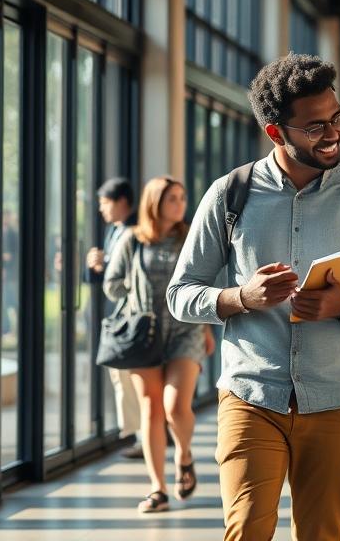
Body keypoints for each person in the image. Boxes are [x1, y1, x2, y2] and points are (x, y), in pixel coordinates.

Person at [167, 54, 340, 541]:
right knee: (245, 531)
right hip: (251, 396)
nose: (332, 133)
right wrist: (242, 296)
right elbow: (181, 295)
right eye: (314, 127)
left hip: (338, 399)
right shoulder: (229, 196)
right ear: (274, 132)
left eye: (337, 118)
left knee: (322, 535)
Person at [104, 177, 207, 513]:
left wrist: (206, 326)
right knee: (151, 408)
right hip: (144, 334)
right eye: (172, 199)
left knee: (176, 406)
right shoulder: (134, 240)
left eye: (182, 197)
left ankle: (185, 453)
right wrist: (135, 295)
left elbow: (203, 282)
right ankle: (157, 488)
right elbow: (112, 285)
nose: (180, 204)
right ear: (155, 203)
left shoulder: (191, 236)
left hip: (185, 332)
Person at [86, 177, 144, 460]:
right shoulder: (114, 231)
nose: (101, 209)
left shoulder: (135, 232)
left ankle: (145, 437)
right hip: (118, 315)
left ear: (122, 202)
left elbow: (130, 275)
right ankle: (140, 435)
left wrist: (105, 265)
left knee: (132, 379)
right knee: (124, 378)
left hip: (130, 317)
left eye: (104, 203)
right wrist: (96, 267)